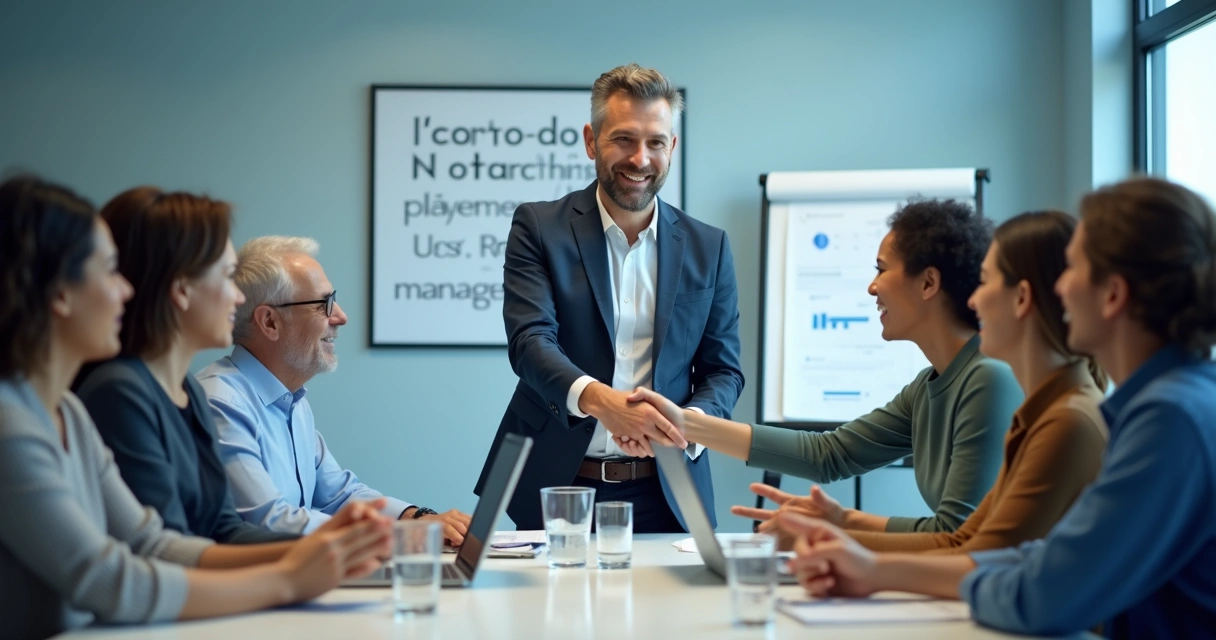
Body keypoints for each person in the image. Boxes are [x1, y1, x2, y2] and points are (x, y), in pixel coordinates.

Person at [782, 177, 1216, 638]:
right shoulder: (1170, 405)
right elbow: (1032, 560)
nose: (1060, 288)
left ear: (1112, 294)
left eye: (1072, 269)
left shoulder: (1168, 420)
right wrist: (870, 566)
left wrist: (870, 564)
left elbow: (1045, 591)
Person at [0, 176, 391, 640]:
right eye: (108, 271)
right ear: (60, 294)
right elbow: (108, 578)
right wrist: (288, 577)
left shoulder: (68, 410)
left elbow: (153, 542)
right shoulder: (15, 422)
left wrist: (321, 549)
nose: (125, 289)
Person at [632, 198, 1023, 533]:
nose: (872, 287)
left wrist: (840, 523)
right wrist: (683, 424)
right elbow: (829, 453)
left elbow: (955, 532)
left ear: (928, 283)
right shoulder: (928, 387)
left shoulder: (988, 379)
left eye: (881, 270)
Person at [737, 211, 1107, 553]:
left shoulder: (1053, 411)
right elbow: (969, 545)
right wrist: (839, 527)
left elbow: (969, 549)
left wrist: (833, 538)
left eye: (987, 282)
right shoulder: (1034, 409)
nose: (974, 299)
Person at [475, 63, 745, 532]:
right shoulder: (539, 228)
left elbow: (724, 369)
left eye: (656, 142)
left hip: (670, 491)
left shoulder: (710, 246)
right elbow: (530, 341)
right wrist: (603, 402)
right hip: (558, 485)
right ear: (591, 140)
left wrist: (687, 424)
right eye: (623, 139)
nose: (640, 158)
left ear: (672, 148)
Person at [197, 236, 470, 543]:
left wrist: (417, 518)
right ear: (270, 322)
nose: (340, 316)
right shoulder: (220, 402)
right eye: (323, 304)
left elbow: (339, 493)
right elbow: (267, 521)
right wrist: (401, 534)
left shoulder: (292, 400)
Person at [73, 187, 295, 544]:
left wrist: (335, 547)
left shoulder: (188, 388)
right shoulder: (118, 392)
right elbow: (168, 552)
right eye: (227, 276)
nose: (238, 296)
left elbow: (225, 530)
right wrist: (319, 555)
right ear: (181, 290)